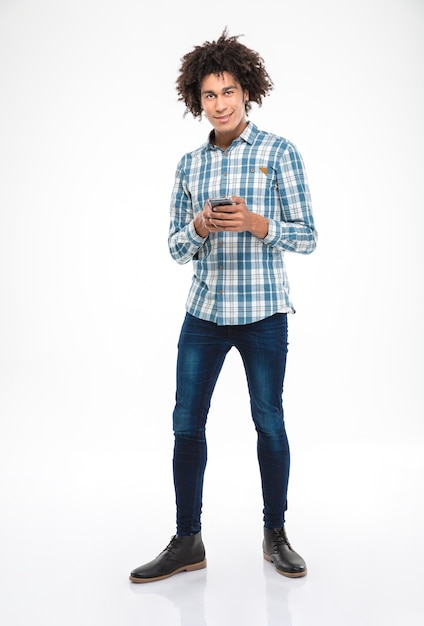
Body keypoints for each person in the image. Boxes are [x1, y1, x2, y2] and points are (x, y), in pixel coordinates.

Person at [129, 28, 317, 583]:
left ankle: (276, 533)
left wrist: (260, 225)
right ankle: (188, 539)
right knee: (186, 425)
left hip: (263, 314)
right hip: (204, 315)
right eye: (209, 95)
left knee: (269, 423)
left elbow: (307, 236)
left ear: (246, 91)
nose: (220, 103)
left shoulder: (279, 152)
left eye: (228, 91)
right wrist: (199, 225)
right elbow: (173, 248)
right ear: (197, 99)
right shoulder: (189, 165)